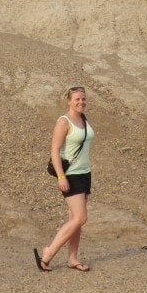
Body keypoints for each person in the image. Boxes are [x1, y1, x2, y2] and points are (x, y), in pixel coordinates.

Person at [33, 86, 94, 272]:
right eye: (76, 99)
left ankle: (73, 258)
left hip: (85, 173)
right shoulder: (64, 121)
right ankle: (48, 253)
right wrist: (60, 176)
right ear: (69, 101)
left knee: (74, 217)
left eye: (83, 99)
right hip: (70, 175)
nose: (81, 102)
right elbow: (54, 150)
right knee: (81, 217)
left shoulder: (83, 119)